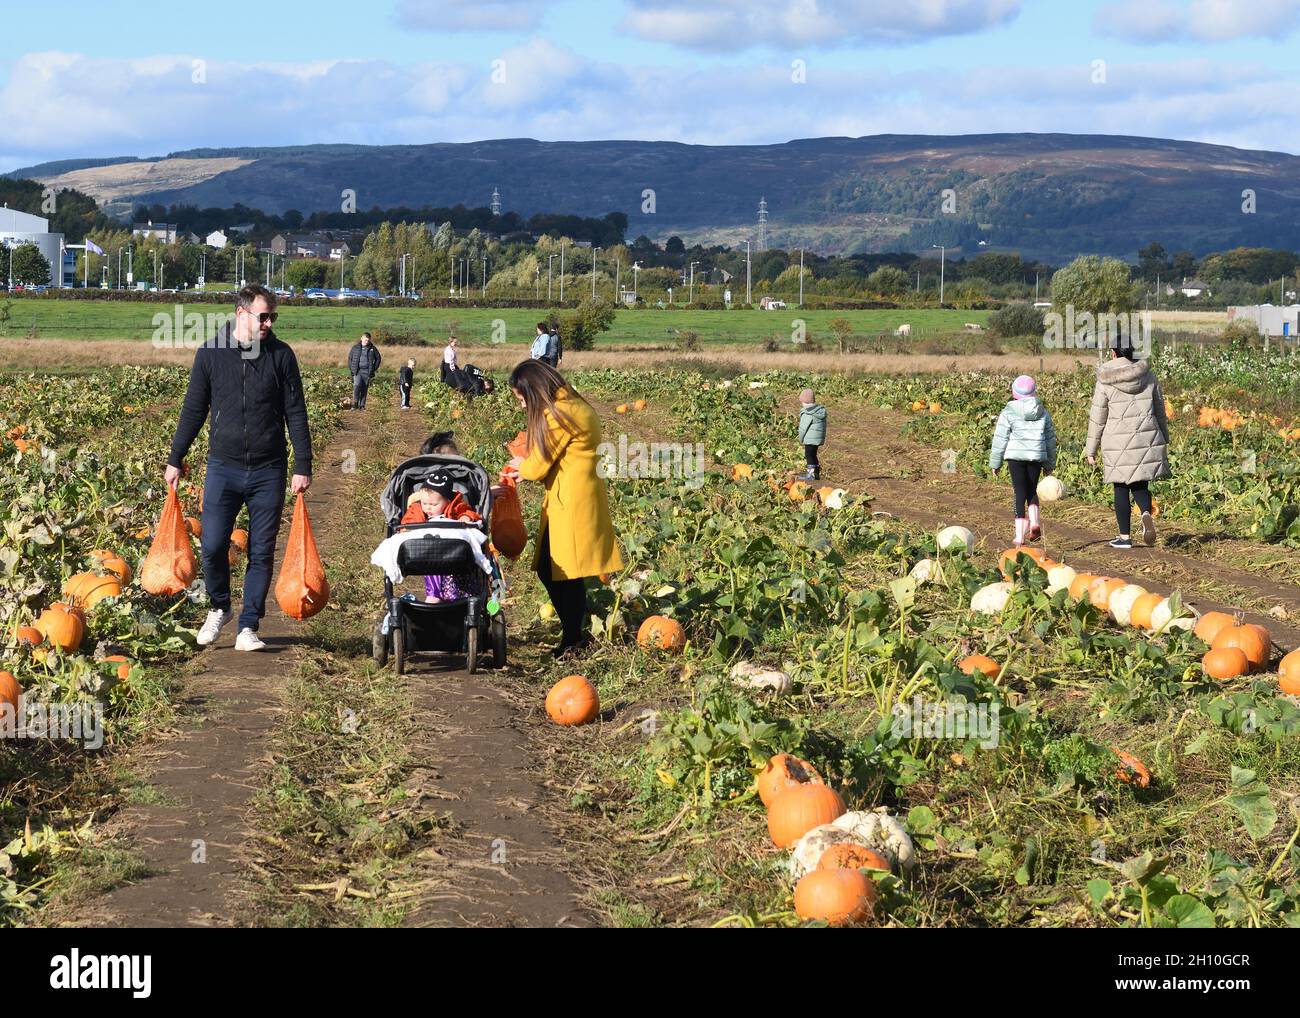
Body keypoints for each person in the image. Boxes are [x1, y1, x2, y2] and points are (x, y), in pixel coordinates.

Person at [165, 284, 312, 652]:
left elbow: (296, 412)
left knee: (261, 550)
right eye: (263, 317)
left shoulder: (281, 356)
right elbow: (194, 410)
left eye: (272, 317)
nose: (268, 323)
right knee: (213, 544)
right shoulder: (211, 355)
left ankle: (248, 625)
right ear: (240, 314)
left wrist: (303, 463)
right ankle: (219, 607)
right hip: (223, 468)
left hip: (269, 469)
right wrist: (175, 457)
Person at [506, 360, 623, 658]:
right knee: (560, 570)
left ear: (533, 391)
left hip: (571, 501)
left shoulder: (559, 414)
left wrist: (522, 465)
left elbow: (539, 463)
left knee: (558, 570)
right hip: (576, 496)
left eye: (521, 399)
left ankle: (574, 639)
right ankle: (574, 636)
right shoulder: (572, 402)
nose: (522, 407)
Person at [1085, 342, 1170, 549]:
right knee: (1140, 484)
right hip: (1145, 438)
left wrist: (1091, 449)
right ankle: (1146, 513)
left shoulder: (1105, 379)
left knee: (1121, 487)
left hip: (1116, 440)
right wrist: (1164, 437)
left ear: (1113, 352)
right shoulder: (1148, 376)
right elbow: (1159, 409)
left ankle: (1124, 538)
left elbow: (1098, 417)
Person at [989, 375, 1058, 546]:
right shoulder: (1042, 411)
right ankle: (1034, 523)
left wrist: (995, 463)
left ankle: (1019, 536)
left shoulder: (1008, 411)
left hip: (1016, 457)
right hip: (1035, 457)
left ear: (1014, 393)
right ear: (1034, 392)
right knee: (1031, 491)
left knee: (1019, 492)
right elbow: (1050, 439)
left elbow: (1000, 438)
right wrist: (1049, 464)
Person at [399, 472, 484, 603]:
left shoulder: (455, 506)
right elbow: (409, 519)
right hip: (429, 553)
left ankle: (462, 598)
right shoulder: (417, 509)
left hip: (453, 553)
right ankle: (433, 596)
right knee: (433, 570)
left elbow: (467, 512)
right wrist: (407, 527)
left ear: (447, 501)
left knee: (461, 576)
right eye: (425, 503)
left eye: (433, 505)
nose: (428, 507)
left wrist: (465, 517)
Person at [797, 388, 827, 480]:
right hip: (817, 439)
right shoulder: (819, 411)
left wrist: (801, 439)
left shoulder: (808, 413)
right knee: (813, 455)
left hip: (810, 439)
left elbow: (803, 428)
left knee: (809, 456)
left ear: (805, 402)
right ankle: (816, 474)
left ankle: (810, 475)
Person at [348, 332, 381, 410]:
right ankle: (355, 404)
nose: (367, 341)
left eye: (368, 340)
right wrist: (352, 369)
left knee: (364, 388)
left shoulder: (373, 348)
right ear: (361, 338)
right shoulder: (355, 348)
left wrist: (373, 369)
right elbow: (350, 359)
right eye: (365, 340)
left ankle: (362, 405)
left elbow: (378, 358)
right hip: (357, 371)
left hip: (367, 371)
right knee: (356, 386)